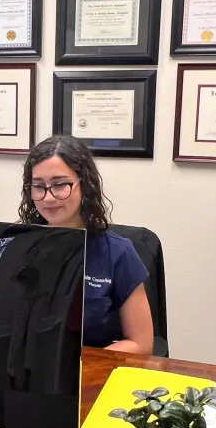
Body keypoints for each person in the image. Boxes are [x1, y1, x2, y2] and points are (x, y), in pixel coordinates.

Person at [18, 134, 154, 354]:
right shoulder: (16, 245)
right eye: (39, 186)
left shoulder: (118, 253)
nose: (48, 197)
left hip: (90, 376)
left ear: (85, 186)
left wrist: (73, 366)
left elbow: (141, 344)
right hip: (25, 374)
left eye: (60, 185)